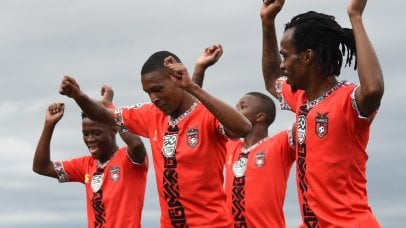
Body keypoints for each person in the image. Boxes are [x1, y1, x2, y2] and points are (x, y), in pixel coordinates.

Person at [58, 48, 252, 227]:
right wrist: (78, 95)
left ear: (177, 79)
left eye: (158, 89)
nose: (153, 98)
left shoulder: (207, 114)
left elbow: (243, 128)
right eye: (148, 92)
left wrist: (192, 87)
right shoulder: (151, 115)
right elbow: (104, 116)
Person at [261, 0, 384, 227]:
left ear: (307, 57)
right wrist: (267, 22)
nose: (282, 65)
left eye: (286, 56)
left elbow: (374, 89)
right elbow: (271, 81)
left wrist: (355, 16)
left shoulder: (348, 101)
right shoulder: (300, 98)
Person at [193, 44, 296, 227]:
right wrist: (199, 70)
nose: (235, 110)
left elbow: (307, 116)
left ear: (260, 116)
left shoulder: (279, 144)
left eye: (242, 106)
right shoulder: (228, 145)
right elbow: (193, 115)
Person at [33, 86, 148, 228]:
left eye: (96, 133)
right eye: (85, 134)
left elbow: (136, 145)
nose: (90, 139)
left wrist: (109, 109)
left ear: (113, 129)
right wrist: (49, 125)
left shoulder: (129, 159)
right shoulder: (85, 165)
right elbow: (41, 167)